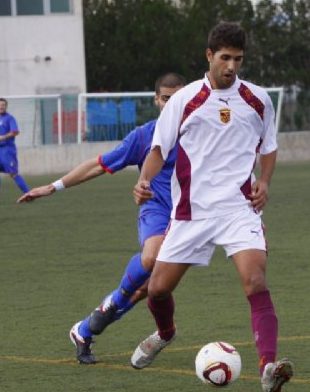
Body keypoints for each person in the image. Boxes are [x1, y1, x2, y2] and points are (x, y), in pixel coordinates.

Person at [131, 22, 293, 392]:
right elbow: (158, 150)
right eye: (225, 58)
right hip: (191, 212)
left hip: (239, 209)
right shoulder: (185, 100)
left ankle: (268, 367)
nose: (231, 66)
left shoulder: (257, 99)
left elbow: (268, 148)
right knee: (157, 290)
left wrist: (265, 182)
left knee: (255, 281)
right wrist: (143, 181)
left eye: (238, 59)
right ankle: (166, 333)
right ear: (209, 56)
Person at [18, 73, 187, 364]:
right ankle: (141, 327)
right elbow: (97, 166)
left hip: (191, 217)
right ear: (157, 101)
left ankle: (86, 329)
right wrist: (53, 186)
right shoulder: (144, 136)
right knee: (151, 258)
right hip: (156, 209)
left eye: (178, 99)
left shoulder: (202, 132)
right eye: (166, 99)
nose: (172, 105)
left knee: (149, 289)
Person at [0, 98, 29, 203]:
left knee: (13, 174)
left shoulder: (10, 118)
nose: (1, 107)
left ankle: (29, 194)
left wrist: (2, 137)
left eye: (3, 105)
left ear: (6, 106)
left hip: (8, 150)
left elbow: (15, 132)